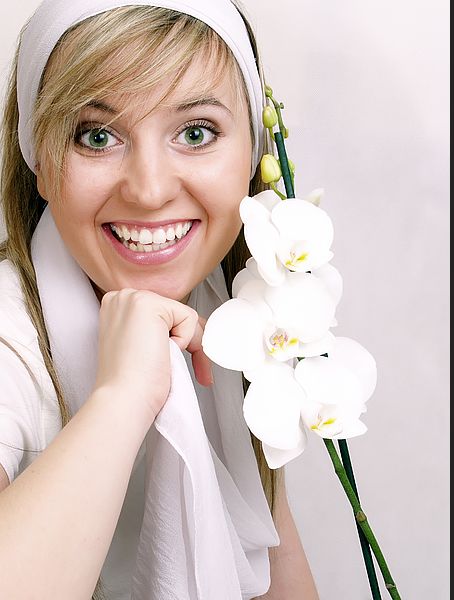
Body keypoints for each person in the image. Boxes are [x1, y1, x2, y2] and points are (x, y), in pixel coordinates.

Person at [0, 1, 320, 598]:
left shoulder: (223, 313)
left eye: (195, 133)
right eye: (97, 136)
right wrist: (122, 399)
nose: (148, 190)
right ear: (39, 164)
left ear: (252, 152)